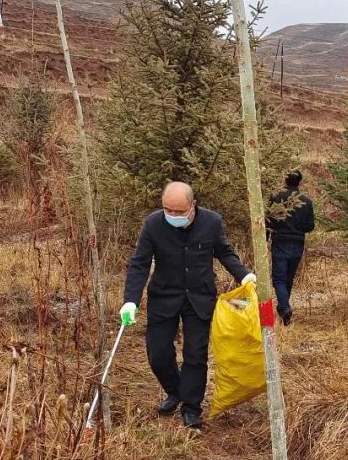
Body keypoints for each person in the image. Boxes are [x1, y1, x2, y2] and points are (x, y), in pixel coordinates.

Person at [120, 182, 255, 429]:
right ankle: (175, 391)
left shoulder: (211, 222)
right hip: (164, 296)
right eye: (167, 210)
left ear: (193, 205)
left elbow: (224, 252)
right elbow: (139, 263)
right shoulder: (153, 224)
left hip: (199, 298)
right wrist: (130, 300)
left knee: (195, 354)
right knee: (158, 352)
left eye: (179, 212)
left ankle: (191, 407)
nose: (172, 215)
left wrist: (244, 275)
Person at [267, 170, 315, 325]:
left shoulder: (276, 197)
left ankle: (284, 308)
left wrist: (266, 238)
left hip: (280, 241)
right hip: (298, 243)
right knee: (288, 277)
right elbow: (310, 226)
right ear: (299, 182)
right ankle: (284, 311)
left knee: (279, 278)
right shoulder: (307, 201)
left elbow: (269, 220)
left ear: (285, 180)